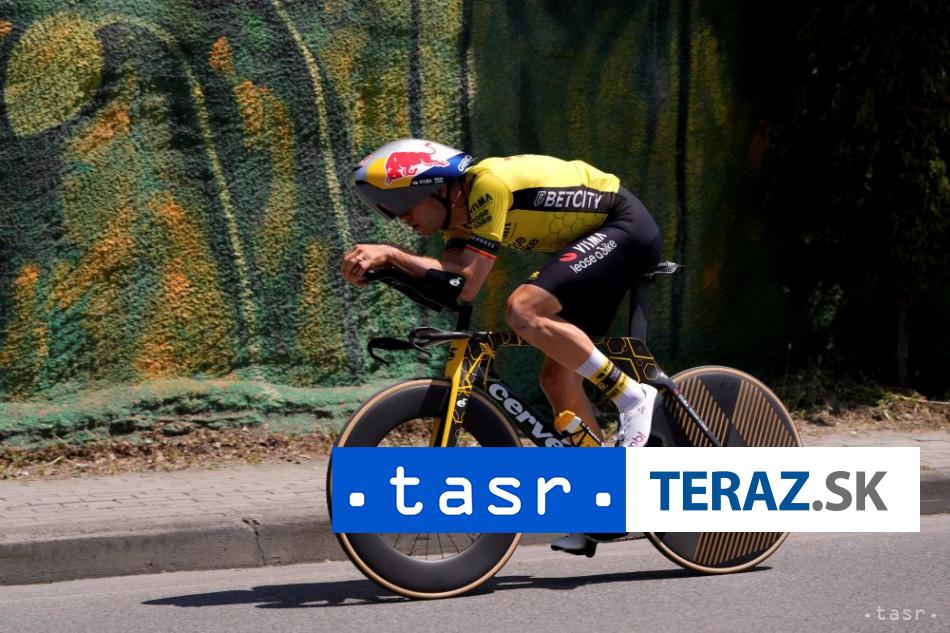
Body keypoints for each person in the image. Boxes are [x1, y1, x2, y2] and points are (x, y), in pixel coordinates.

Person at [342, 139, 662, 556]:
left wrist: (391, 254)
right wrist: (388, 270)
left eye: (404, 204)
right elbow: (456, 288)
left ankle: (632, 396)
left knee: (522, 309)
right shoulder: (460, 220)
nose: (401, 217)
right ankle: (603, 502)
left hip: (625, 228)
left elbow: (469, 280)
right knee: (556, 379)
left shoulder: (486, 185)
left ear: (434, 187)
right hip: (593, 244)